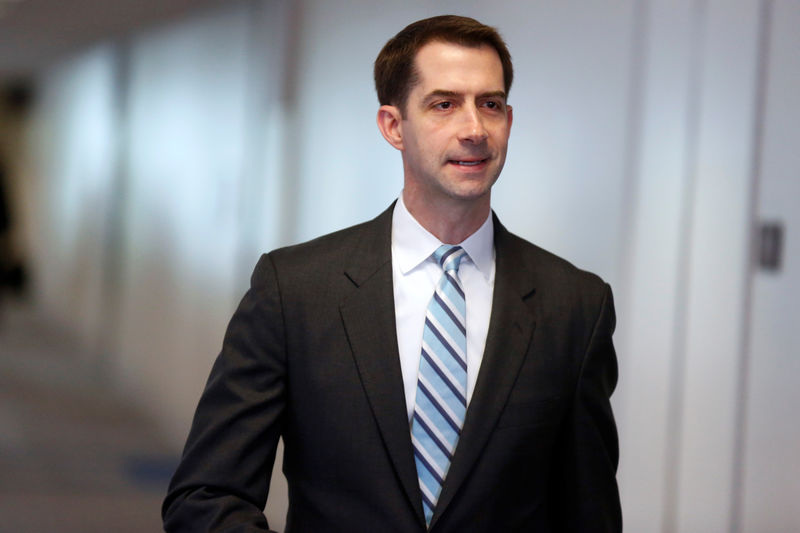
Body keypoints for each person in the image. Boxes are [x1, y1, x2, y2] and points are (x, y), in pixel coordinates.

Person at [163, 14, 621, 532]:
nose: (473, 129)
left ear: (508, 122)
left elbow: (590, 516)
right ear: (393, 126)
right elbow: (205, 497)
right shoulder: (294, 290)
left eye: (489, 105)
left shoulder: (575, 307)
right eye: (444, 104)